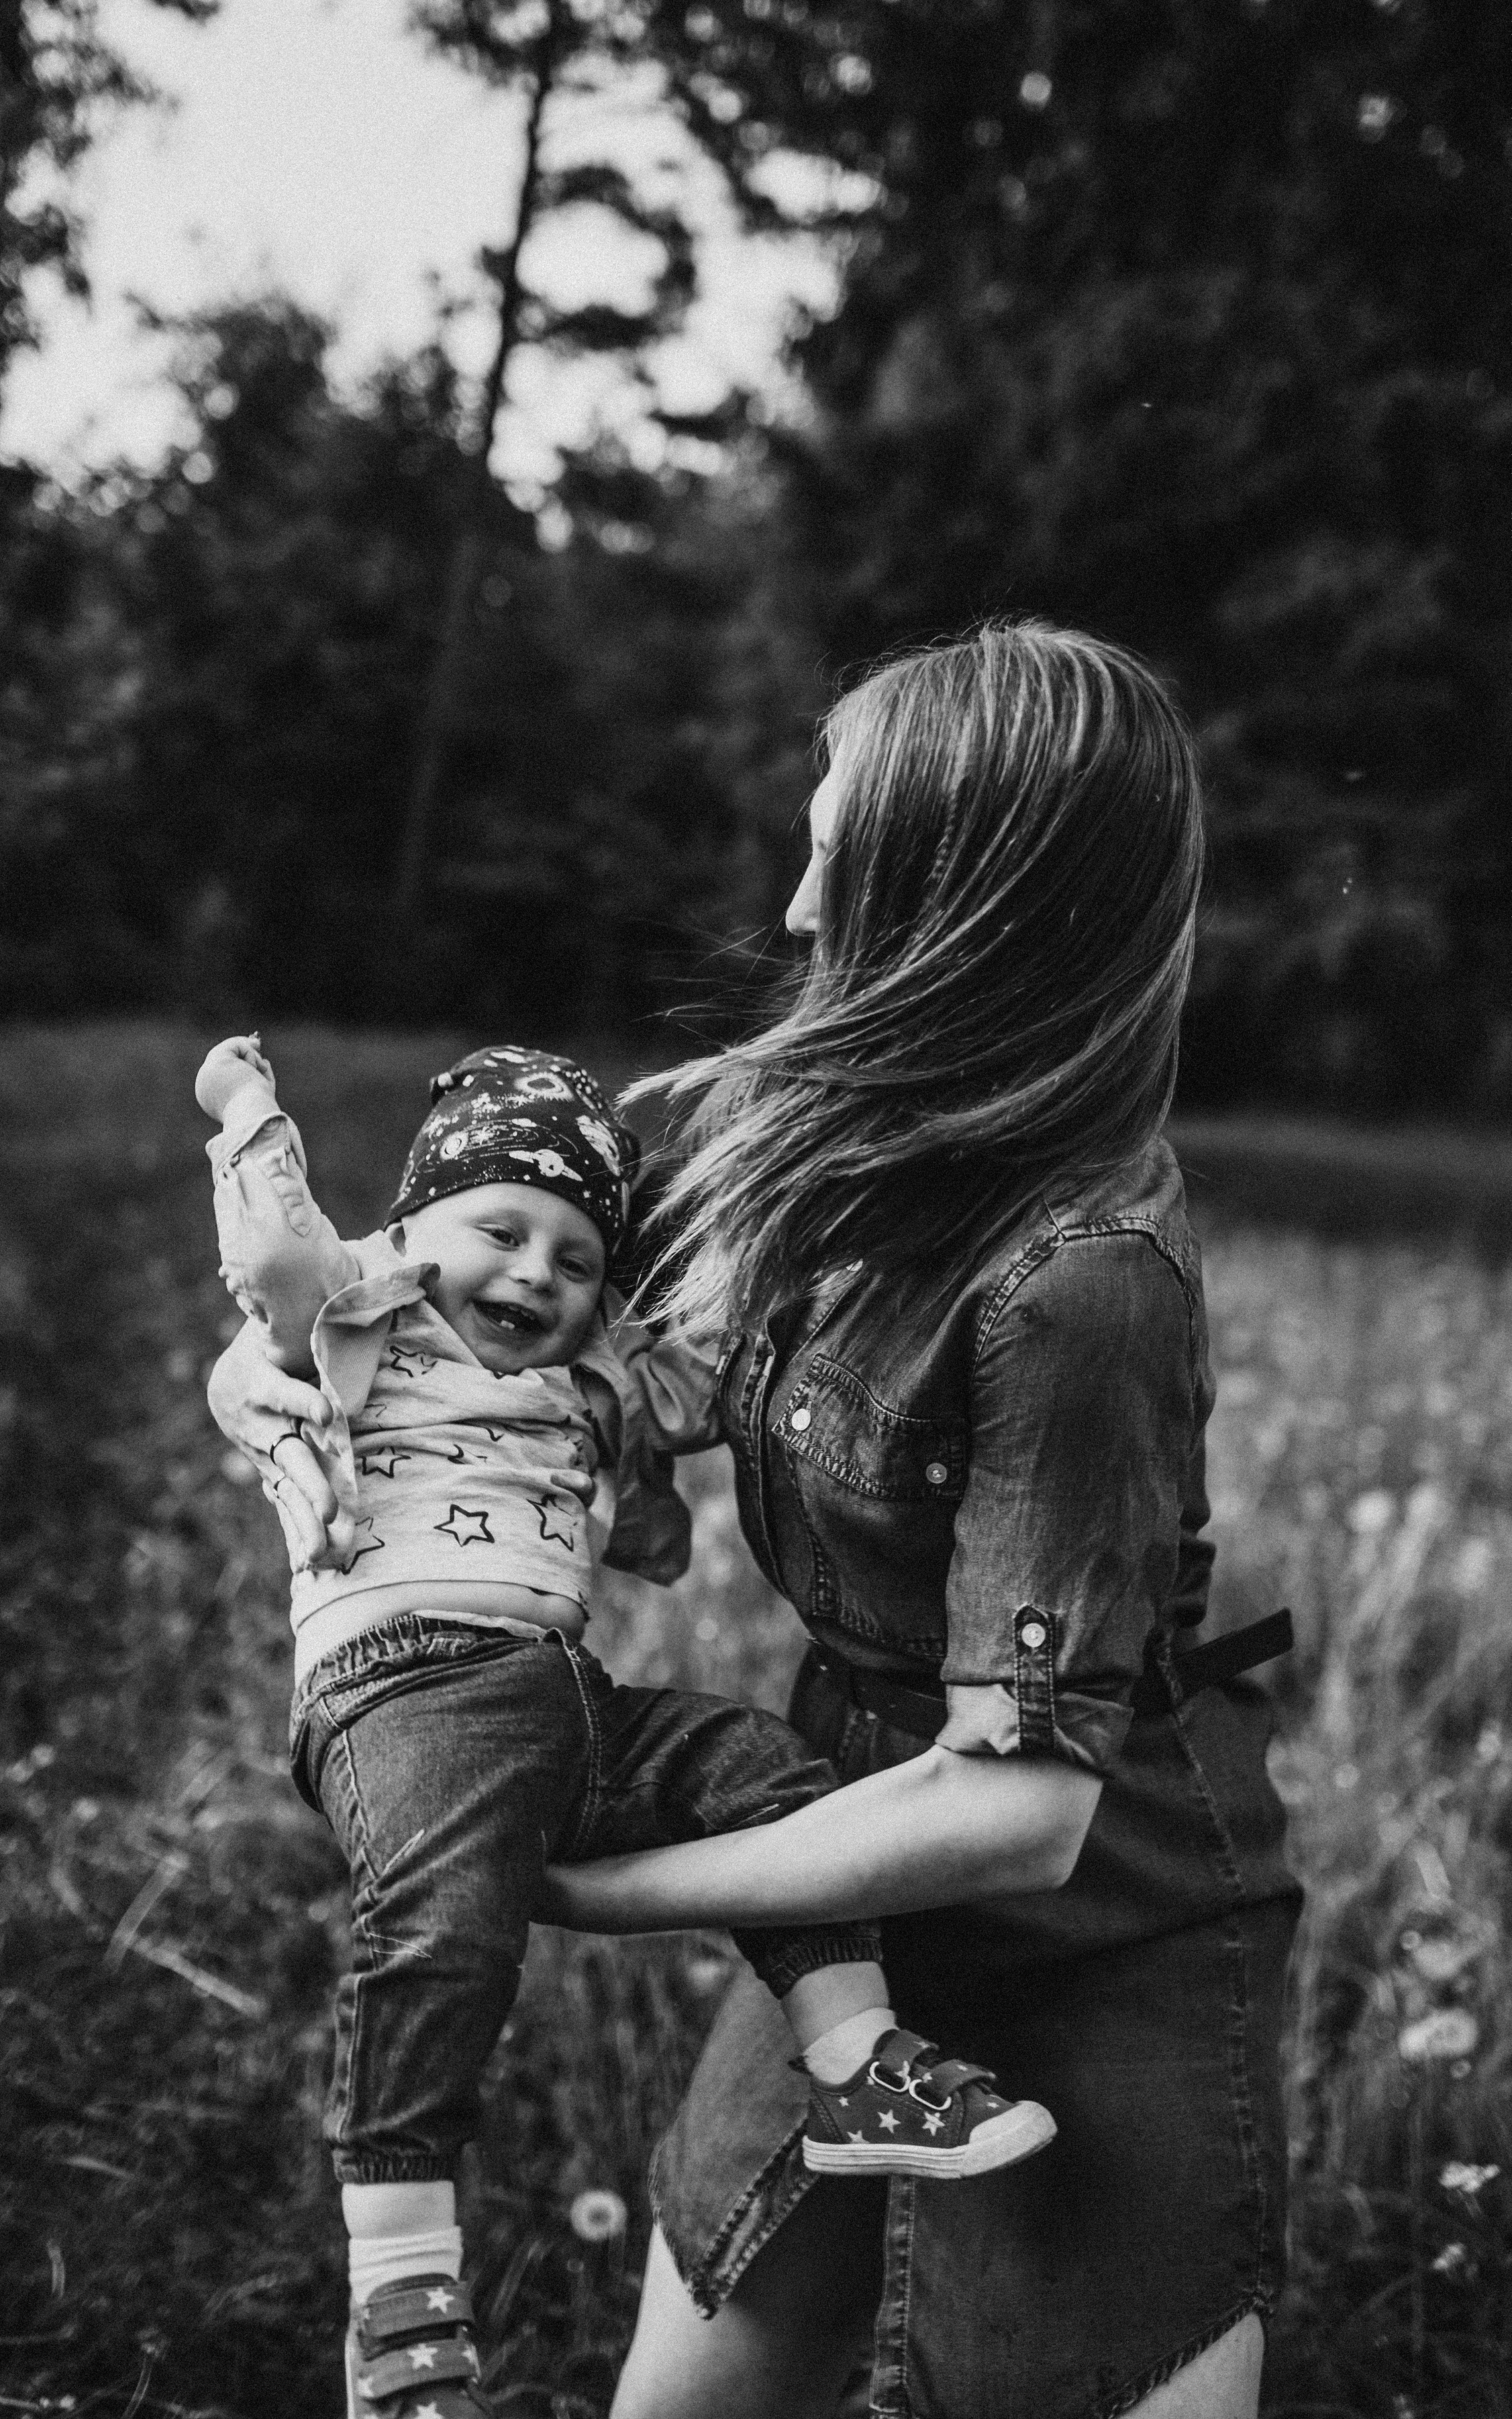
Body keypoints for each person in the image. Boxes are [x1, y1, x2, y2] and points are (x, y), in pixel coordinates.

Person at [525, 623, 1304, 2419]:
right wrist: (293, 1370)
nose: (796, 908)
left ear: (961, 907)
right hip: (848, 1868)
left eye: (836, 854)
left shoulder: (1080, 1283)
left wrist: (594, 1887)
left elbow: (1019, 1812)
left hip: (1113, 1914)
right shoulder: (795, 1144)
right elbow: (476, 1306)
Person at [197, 1035, 1054, 2419]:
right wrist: (248, 1114)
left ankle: (856, 2064)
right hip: (404, 1690)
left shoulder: (595, 1367)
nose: (535, 1271)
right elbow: (276, 1255)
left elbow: (717, 1366)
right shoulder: (363, 1313)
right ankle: (401, 2299)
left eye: (573, 1253)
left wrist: (810, 1216)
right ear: (410, 1230)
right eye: (499, 1229)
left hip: (562, 1702)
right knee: (442, 1933)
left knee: (769, 1773)